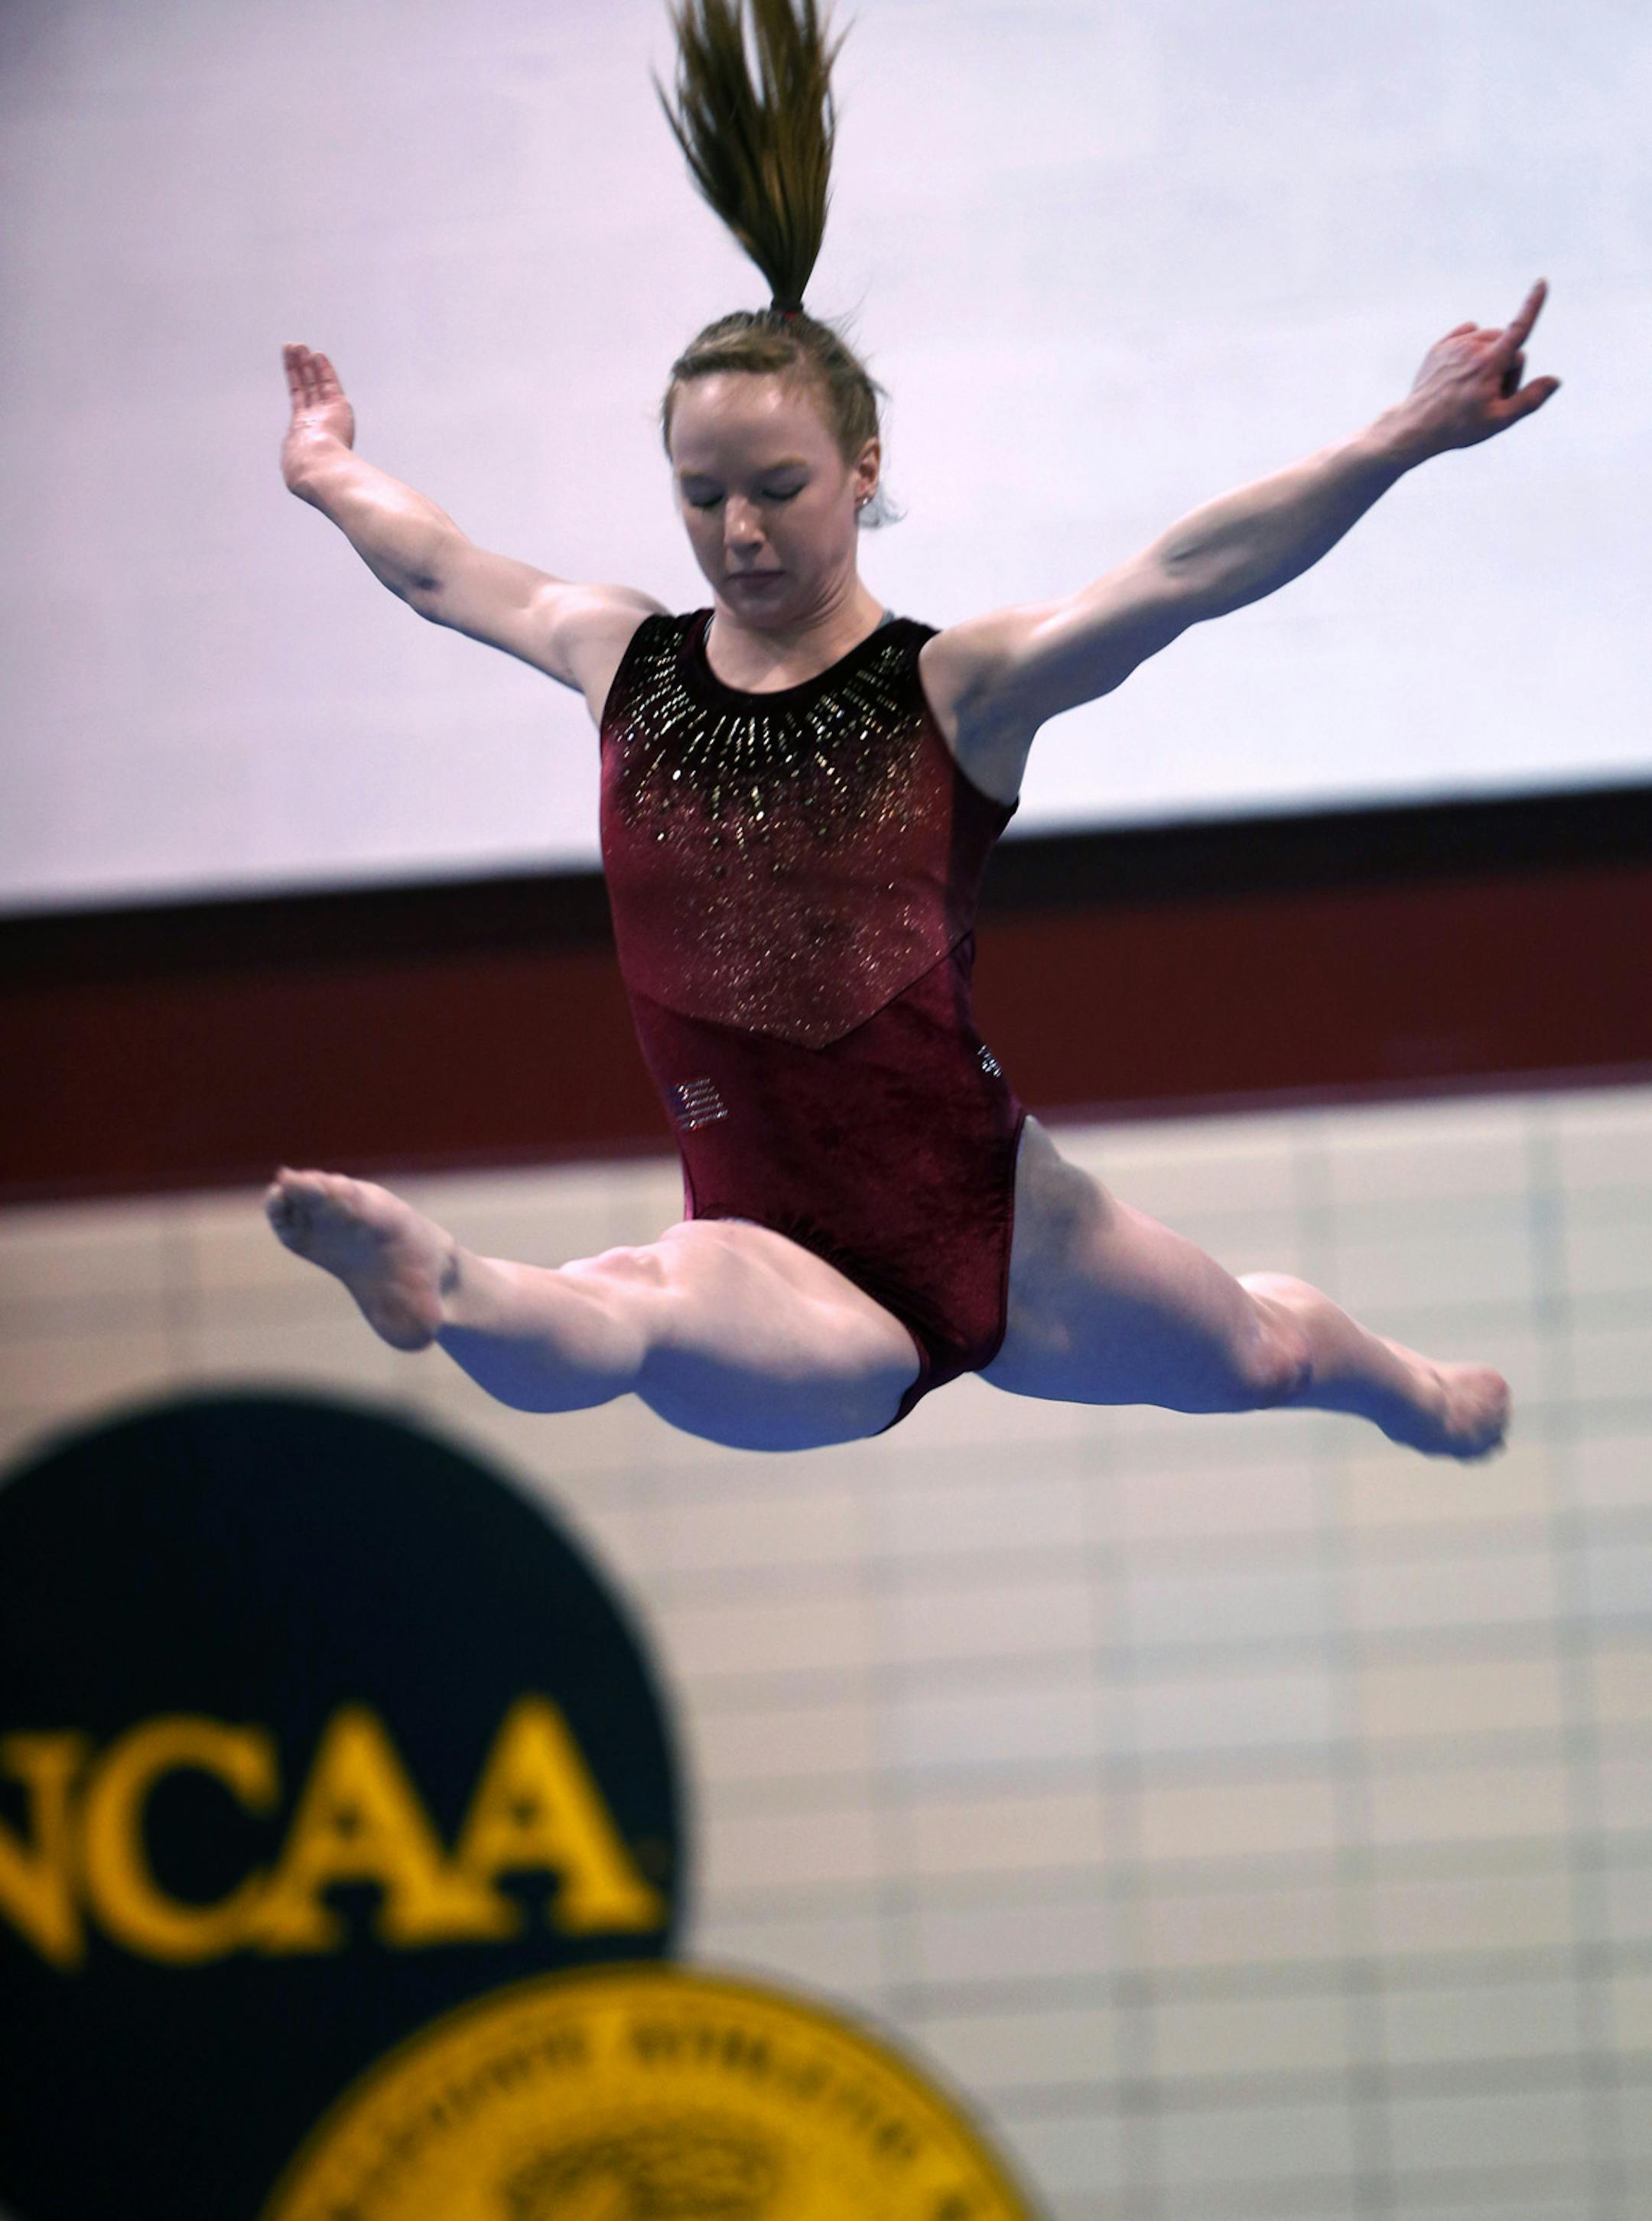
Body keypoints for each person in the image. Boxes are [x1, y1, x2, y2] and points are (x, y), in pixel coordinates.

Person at [268, 0, 1559, 1458]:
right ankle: (437, 1282)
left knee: (1259, 1354)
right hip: (771, 1248)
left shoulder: (954, 688)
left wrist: (1404, 433)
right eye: (704, 496)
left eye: (777, 487)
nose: (739, 531)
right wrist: (328, 471)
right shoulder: (619, 655)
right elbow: (442, 566)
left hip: (996, 1218)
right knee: (633, 1310)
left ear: (861, 468)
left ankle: (1419, 1395)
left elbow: (1193, 573)